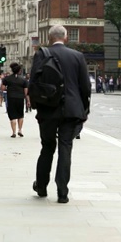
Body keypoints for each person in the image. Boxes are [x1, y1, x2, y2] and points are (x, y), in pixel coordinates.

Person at [30, 25, 91, 204]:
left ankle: (41, 186)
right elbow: (85, 87)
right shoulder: (77, 56)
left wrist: (36, 106)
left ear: (50, 38)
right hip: (71, 110)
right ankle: (62, 192)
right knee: (66, 148)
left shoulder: (42, 54)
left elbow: (33, 82)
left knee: (47, 147)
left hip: (48, 108)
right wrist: (84, 109)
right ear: (65, 38)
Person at [2, 63, 29, 137]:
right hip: (20, 98)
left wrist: (9, 89)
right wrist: (28, 100)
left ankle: (14, 132)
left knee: (13, 116)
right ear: (19, 71)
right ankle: (20, 130)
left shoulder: (7, 79)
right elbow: (26, 91)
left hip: (11, 98)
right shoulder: (23, 80)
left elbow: (3, 88)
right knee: (20, 115)